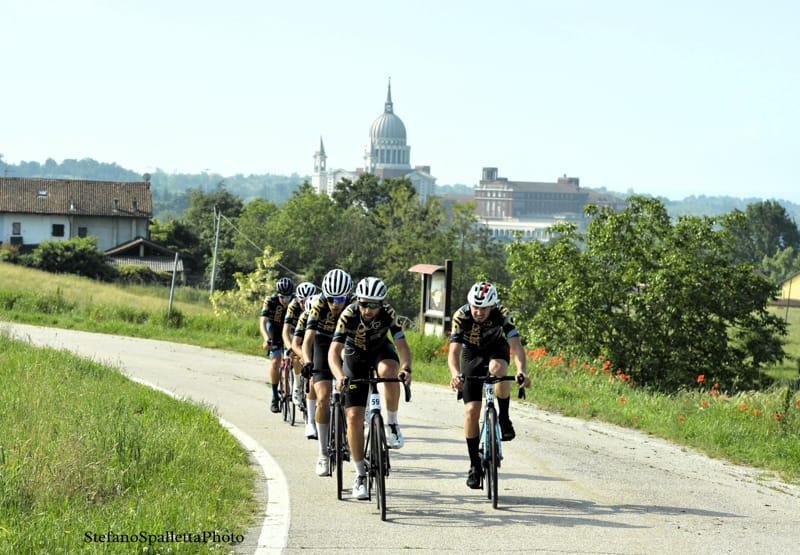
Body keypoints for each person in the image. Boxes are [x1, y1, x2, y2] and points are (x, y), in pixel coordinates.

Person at [329, 277, 412, 499]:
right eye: (364, 303)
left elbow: (402, 346)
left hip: (379, 350)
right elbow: (333, 351)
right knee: (354, 418)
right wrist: (339, 376)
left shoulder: (389, 314)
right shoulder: (349, 314)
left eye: (373, 305)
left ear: (382, 304)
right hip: (354, 356)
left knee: (389, 372)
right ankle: (360, 475)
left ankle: (392, 424)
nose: (367, 309)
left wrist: (407, 368)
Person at [447, 280, 530, 489]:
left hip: (495, 348)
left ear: (492, 305)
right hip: (471, 353)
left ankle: (503, 417)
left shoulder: (502, 313)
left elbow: (516, 347)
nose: (478, 311)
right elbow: (454, 352)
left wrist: (521, 371)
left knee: (498, 370)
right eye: (475, 306)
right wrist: (456, 374)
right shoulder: (461, 316)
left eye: (483, 307)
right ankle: (475, 465)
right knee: (471, 412)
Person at [301, 268, 353, 476]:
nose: (335, 304)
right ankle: (323, 453)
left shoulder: (355, 305)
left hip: (347, 344)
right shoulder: (319, 306)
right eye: (331, 298)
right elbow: (307, 341)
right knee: (322, 398)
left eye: (340, 299)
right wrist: (306, 361)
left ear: (348, 295)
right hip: (323, 344)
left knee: (353, 399)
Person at [260, 277, 294, 413]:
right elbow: (263, 322)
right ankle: (275, 397)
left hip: (289, 329)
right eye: (283, 297)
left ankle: (293, 385)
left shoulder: (295, 301)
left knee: (294, 356)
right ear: (278, 295)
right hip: (274, 328)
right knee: (275, 362)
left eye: (289, 296)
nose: (286, 300)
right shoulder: (270, 300)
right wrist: (266, 338)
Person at [292, 292, 321, 439]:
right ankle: (310, 421)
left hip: (323, 344)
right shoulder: (304, 317)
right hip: (307, 345)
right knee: (312, 378)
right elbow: (296, 343)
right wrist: (305, 358)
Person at [282, 281, 317, 406]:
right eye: (302, 301)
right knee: (296, 357)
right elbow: (285, 332)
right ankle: (297, 384)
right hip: (295, 333)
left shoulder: (317, 306)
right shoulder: (293, 306)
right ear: (297, 299)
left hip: (309, 332)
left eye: (307, 300)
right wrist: (290, 348)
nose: (304, 304)